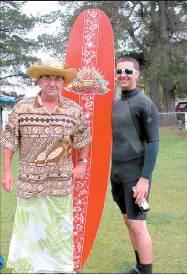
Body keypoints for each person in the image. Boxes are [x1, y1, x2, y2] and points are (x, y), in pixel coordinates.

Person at [0, 58, 91, 273]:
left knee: (59, 231)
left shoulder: (73, 110)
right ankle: (27, 268)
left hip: (60, 186)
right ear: (38, 82)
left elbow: (84, 138)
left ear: (64, 83)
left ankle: (58, 270)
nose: (53, 83)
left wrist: (82, 163)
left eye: (58, 78)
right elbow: (9, 140)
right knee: (28, 230)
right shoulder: (21, 109)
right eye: (47, 78)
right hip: (29, 185)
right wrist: (6, 172)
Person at [110, 57, 159, 274]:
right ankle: (139, 267)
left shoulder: (145, 103)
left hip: (135, 175)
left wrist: (145, 178)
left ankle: (146, 271)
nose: (123, 74)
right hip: (117, 173)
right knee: (129, 223)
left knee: (139, 226)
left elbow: (153, 143)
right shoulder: (116, 103)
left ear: (137, 74)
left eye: (128, 71)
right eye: (119, 70)